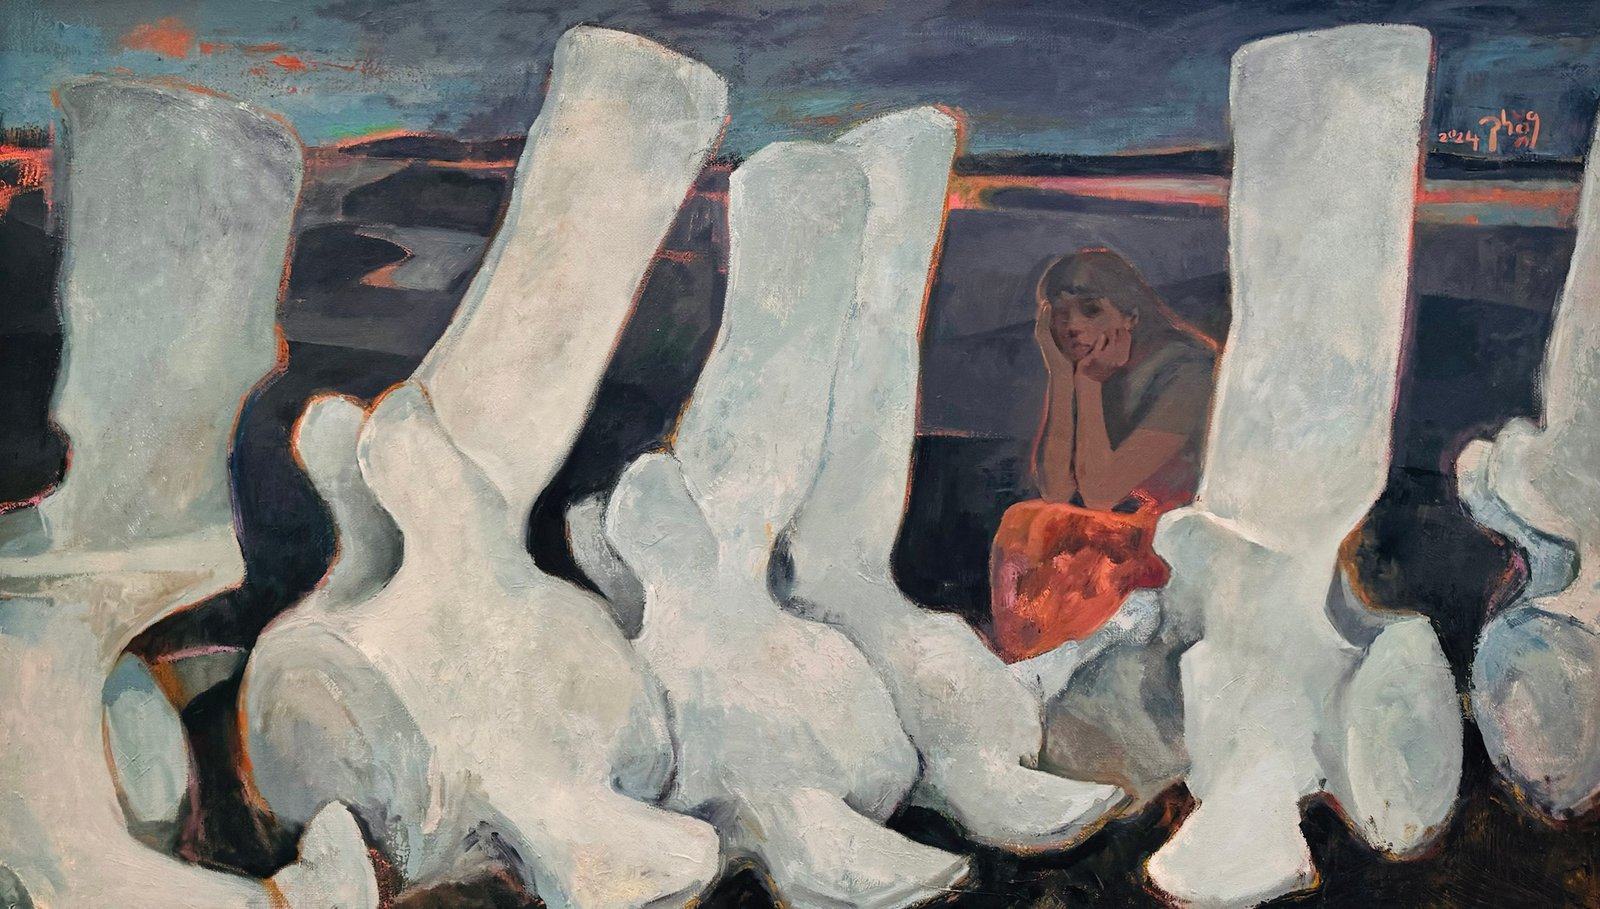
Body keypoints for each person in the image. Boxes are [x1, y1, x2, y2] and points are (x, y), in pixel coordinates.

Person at [990, 248, 1216, 661]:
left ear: (1131, 316)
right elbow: (1056, 488)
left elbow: (1100, 492)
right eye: (1060, 315)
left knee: (1045, 528)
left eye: (1091, 310)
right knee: (1029, 518)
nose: (1072, 326)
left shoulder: (1188, 369)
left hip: (1171, 537)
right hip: (1116, 529)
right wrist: (1062, 375)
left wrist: (1090, 382)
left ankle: (1043, 656)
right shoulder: (1090, 366)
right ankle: (1031, 655)